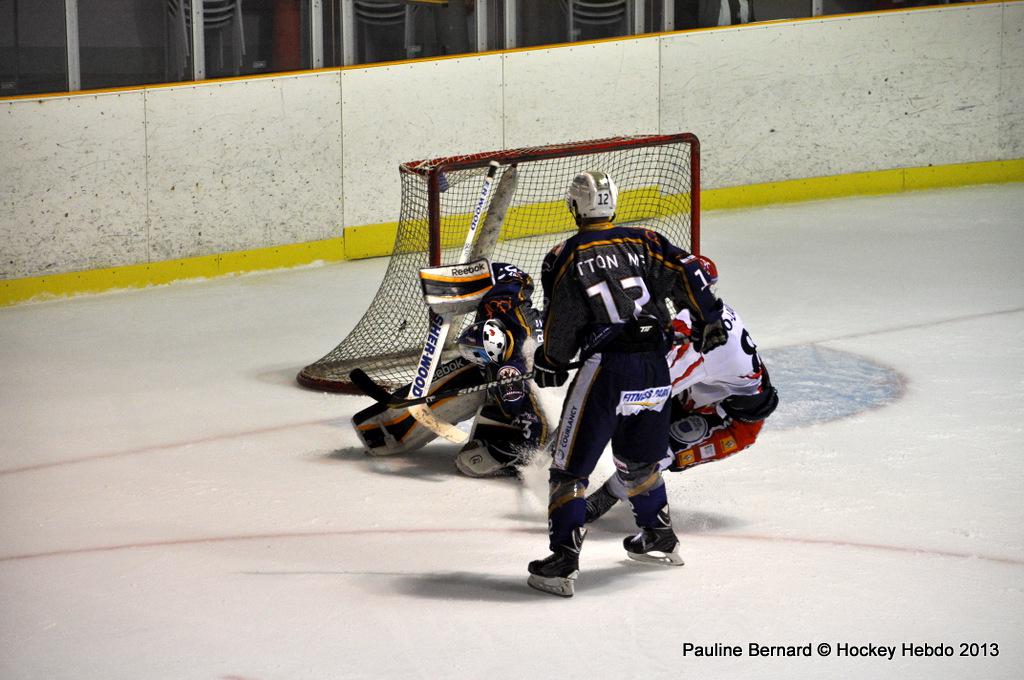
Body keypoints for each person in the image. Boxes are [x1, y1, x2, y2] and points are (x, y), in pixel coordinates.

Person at [526, 170, 728, 598]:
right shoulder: (646, 240)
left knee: (569, 469)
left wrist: (551, 361)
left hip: (607, 369)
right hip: (654, 367)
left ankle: (562, 563)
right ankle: (659, 538)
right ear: (614, 202)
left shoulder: (565, 254)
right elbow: (690, 270)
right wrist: (708, 318)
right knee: (639, 462)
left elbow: (562, 320)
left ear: (574, 206)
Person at [584, 257, 779, 522]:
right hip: (702, 396)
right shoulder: (709, 315)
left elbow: (649, 386)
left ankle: (604, 500)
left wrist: (591, 412)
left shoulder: (702, 338)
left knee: (654, 452)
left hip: (733, 423)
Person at [351, 261, 548, 478]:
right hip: (539, 358)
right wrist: (459, 282)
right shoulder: (507, 311)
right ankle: (380, 427)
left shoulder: (511, 382)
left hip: (536, 381)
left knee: (471, 462)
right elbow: (514, 275)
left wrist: (512, 455)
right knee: (461, 374)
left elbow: (536, 428)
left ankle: (500, 437)